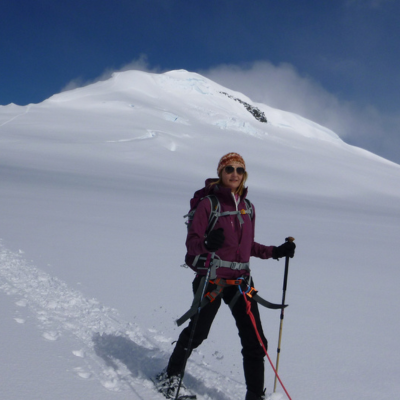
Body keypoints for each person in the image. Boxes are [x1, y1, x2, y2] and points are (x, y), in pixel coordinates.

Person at [155, 152, 296, 400]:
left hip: (241, 282)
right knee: (198, 333)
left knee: (255, 341)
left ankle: (255, 396)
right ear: (221, 172)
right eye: (229, 169)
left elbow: (248, 246)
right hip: (211, 278)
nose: (234, 174)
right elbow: (192, 244)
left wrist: (275, 252)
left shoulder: (247, 207)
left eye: (239, 170)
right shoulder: (208, 204)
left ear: (244, 175)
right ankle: (171, 375)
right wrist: (207, 243)